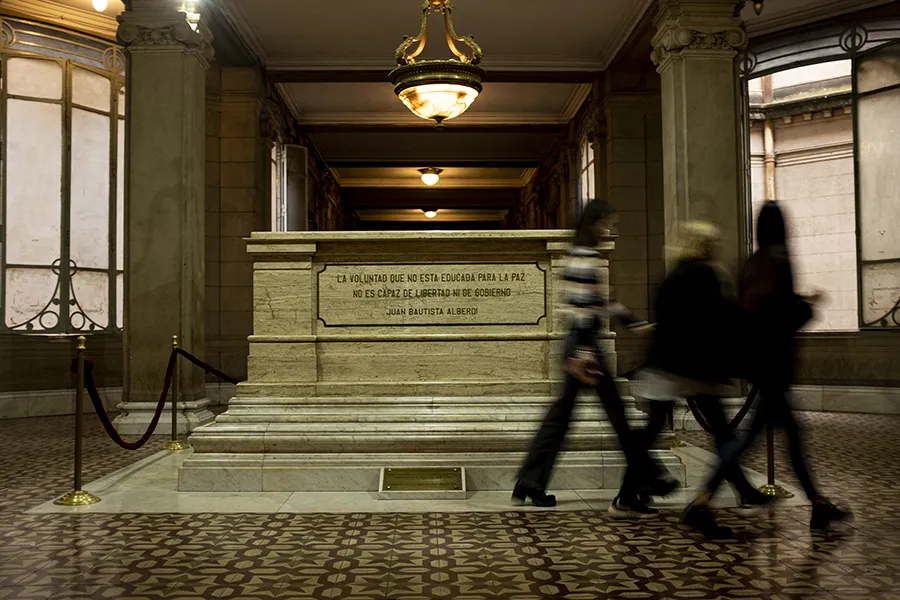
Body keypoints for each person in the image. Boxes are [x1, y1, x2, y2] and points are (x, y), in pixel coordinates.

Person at [684, 202, 850, 539]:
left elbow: (754, 310)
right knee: (752, 440)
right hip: (775, 363)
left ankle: (818, 504)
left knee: (790, 437)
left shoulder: (752, 263)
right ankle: (701, 503)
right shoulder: (780, 259)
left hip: (760, 361)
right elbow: (782, 314)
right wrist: (808, 306)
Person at [513, 199, 664, 517]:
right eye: (608, 224)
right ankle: (649, 479)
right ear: (594, 223)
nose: (610, 230)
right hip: (585, 348)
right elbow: (583, 309)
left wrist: (633, 322)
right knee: (617, 417)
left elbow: (596, 303)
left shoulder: (577, 255)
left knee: (563, 418)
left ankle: (530, 480)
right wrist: (585, 353)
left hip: (581, 346)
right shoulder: (585, 257)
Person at [630, 221, 774, 525]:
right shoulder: (704, 273)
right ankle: (741, 492)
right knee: (721, 433)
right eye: (713, 242)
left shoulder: (671, 275)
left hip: (667, 364)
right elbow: (721, 315)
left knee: (658, 432)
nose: (716, 246)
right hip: (690, 367)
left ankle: (629, 495)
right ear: (703, 244)